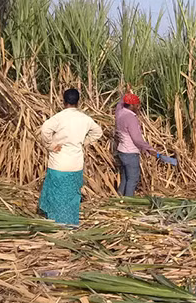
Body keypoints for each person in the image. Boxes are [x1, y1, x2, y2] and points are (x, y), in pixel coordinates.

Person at [38, 89, 103, 226]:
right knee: (72, 196)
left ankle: (55, 224)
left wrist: (50, 145)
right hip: (75, 163)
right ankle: (70, 224)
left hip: (59, 162)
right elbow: (98, 132)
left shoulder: (59, 117)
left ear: (64, 101)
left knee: (57, 196)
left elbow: (45, 129)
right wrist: (84, 142)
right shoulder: (84, 119)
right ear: (78, 102)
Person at [115, 93, 154, 196]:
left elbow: (119, 104)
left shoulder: (119, 112)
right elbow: (136, 139)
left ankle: (119, 199)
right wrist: (148, 148)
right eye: (137, 105)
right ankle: (129, 202)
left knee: (125, 178)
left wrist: (126, 93)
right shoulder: (130, 118)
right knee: (132, 180)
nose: (138, 107)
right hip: (130, 153)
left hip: (122, 151)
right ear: (131, 105)